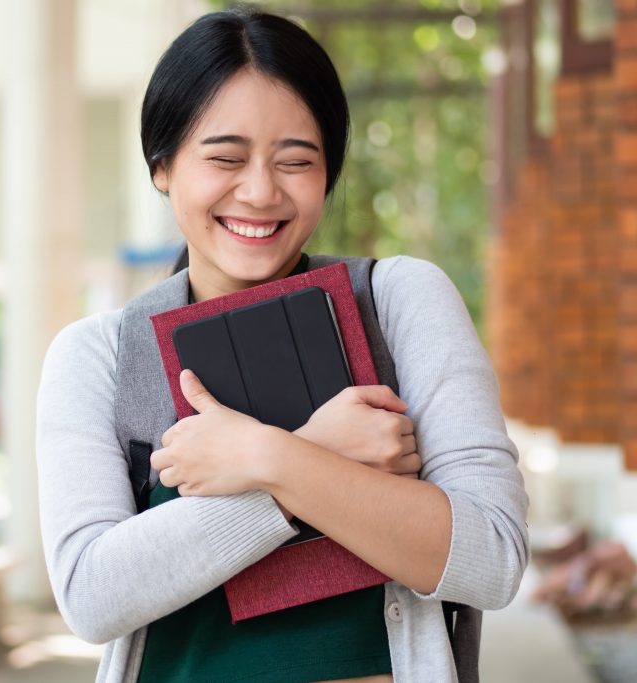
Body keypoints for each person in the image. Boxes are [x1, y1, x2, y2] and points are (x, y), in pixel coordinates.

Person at [36, 8, 529, 683]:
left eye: (296, 160)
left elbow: (493, 557)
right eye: (225, 158)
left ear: (327, 172)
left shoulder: (400, 303)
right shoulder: (101, 357)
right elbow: (93, 596)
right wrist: (314, 457)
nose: (261, 191)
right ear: (162, 165)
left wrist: (268, 455)